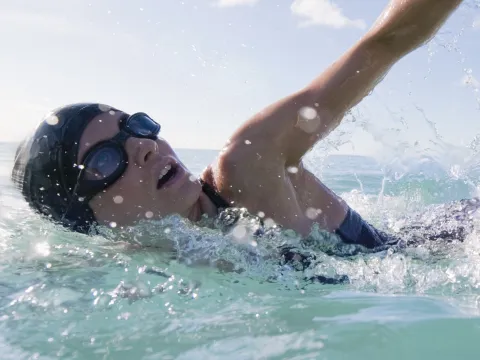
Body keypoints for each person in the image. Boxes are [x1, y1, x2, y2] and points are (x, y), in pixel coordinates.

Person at [12, 0, 467, 253]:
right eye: (106, 158)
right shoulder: (129, 267)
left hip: (444, 242)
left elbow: (381, 45)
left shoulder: (247, 167)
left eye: (135, 127)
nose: (144, 148)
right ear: (84, 217)